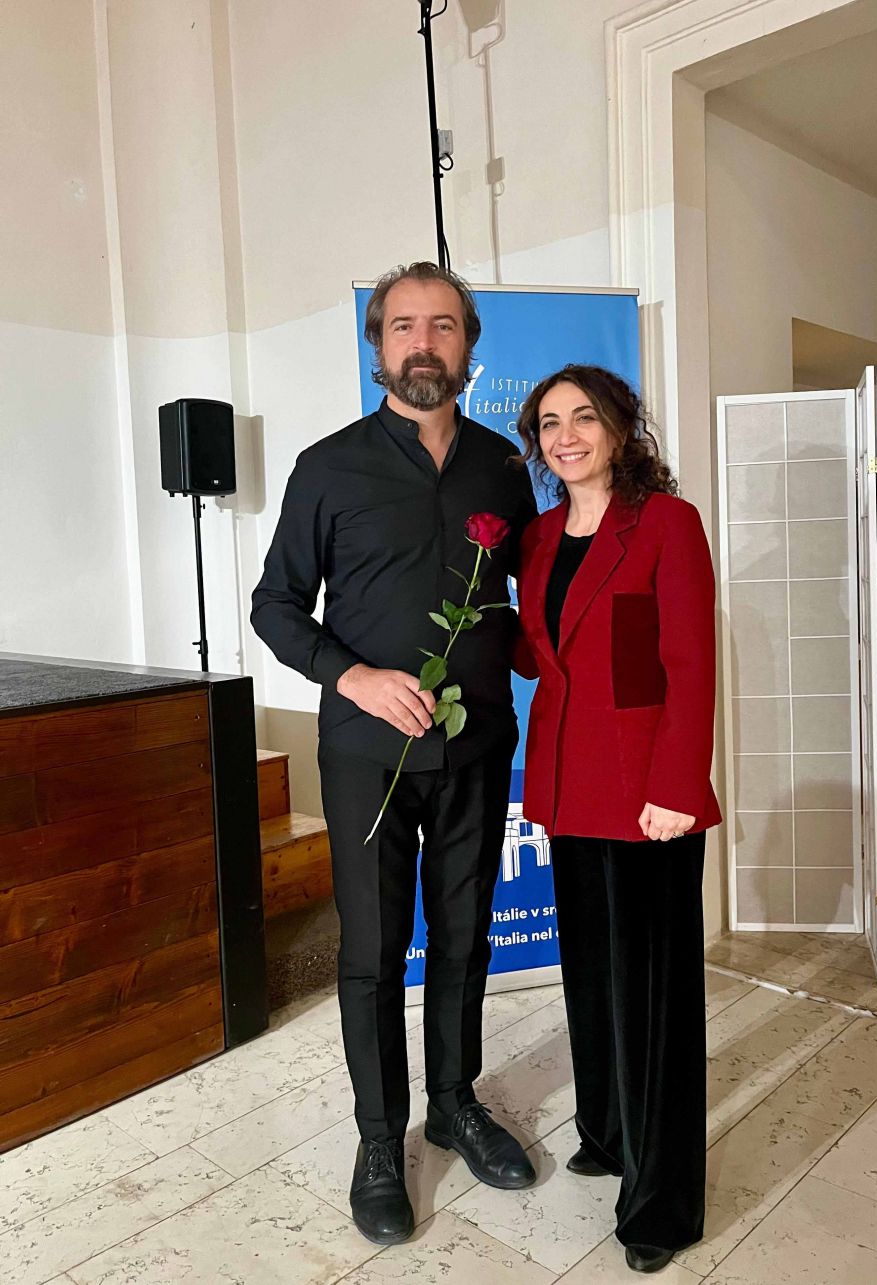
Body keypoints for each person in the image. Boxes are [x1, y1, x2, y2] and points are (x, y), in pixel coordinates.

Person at [251, 262, 538, 1246]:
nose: (423, 342)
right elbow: (276, 606)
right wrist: (355, 676)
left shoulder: (504, 468)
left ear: (469, 346)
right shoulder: (326, 467)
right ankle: (381, 1141)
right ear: (377, 344)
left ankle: (455, 1103)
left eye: (443, 325)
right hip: (365, 755)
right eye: (404, 325)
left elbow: (530, 599)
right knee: (372, 953)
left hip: (478, 743)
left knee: (465, 935)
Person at [513, 365, 721, 1275]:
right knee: (592, 979)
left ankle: (660, 1202)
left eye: (583, 418)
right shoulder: (538, 537)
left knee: (654, 1005)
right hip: (568, 790)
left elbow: (690, 661)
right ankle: (604, 1132)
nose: (566, 436)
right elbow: (538, 652)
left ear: (620, 428)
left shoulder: (667, 523)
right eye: (549, 423)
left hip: (648, 801)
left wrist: (677, 784)